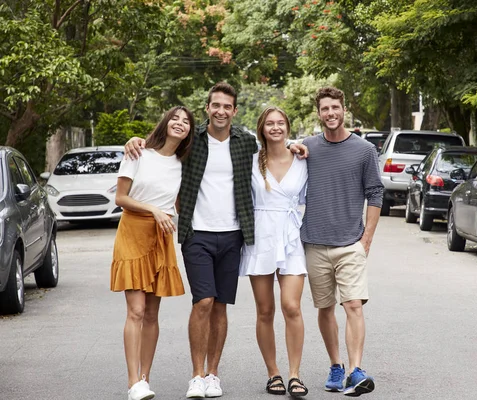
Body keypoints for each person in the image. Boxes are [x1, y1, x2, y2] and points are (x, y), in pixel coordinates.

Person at [124, 82, 308, 399]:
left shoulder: (245, 143)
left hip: (235, 235)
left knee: (220, 306)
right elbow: (160, 150)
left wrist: (295, 144)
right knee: (203, 301)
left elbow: (274, 144)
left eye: (227, 106)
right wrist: (136, 140)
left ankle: (213, 374)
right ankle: (196, 375)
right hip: (197, 234)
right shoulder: (190, 143)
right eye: (215, 105)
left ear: (234, 111)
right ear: (207, 108)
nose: (221, 110)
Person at [301, 87, 384, 397]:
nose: (330, 113)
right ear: (319, 113)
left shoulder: (364, 150)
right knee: (324, 309)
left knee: (353, 306)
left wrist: (366, 240)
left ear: (344, 109)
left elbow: (375, 193)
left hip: (351, 242)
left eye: (335, 107)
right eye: (325, 109)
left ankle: (354, 370)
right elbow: (275, 154)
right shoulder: (307, 147)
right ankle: (336, 365)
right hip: (314, 242)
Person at [111, 106, 194, 400]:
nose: (180, 123)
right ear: (165, 122)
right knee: (136, 310)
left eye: (186, 122)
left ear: (189, 132)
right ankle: (133, 381)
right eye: (175, 118)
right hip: (133, 232)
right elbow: (121, 198)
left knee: (152, 314)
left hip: (162, 237)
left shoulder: (184, 165)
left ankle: (145, 378)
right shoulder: (138, 153)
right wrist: (154, 210)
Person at [239, 107, 309, 397]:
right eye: (270, 123)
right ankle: (273, 373)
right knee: (265, 310)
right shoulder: (251, 161)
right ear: (262, 128)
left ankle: (294, 374)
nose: (276, 127)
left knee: (291, 306)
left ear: (288, 128)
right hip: (261, 236)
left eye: (281, 123)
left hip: (291, 237)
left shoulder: (303, 159)